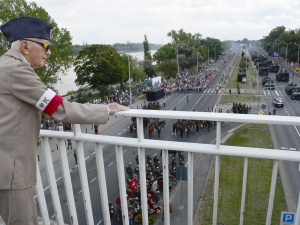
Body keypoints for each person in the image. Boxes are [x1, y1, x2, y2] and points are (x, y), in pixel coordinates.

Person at [0, 16, 129, 225]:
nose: (48, 52)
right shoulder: (17, 70)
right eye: (45, 45)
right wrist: (106, 109)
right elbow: (59, 108)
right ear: (25, 46)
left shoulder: (3, 65)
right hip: (12, 170)